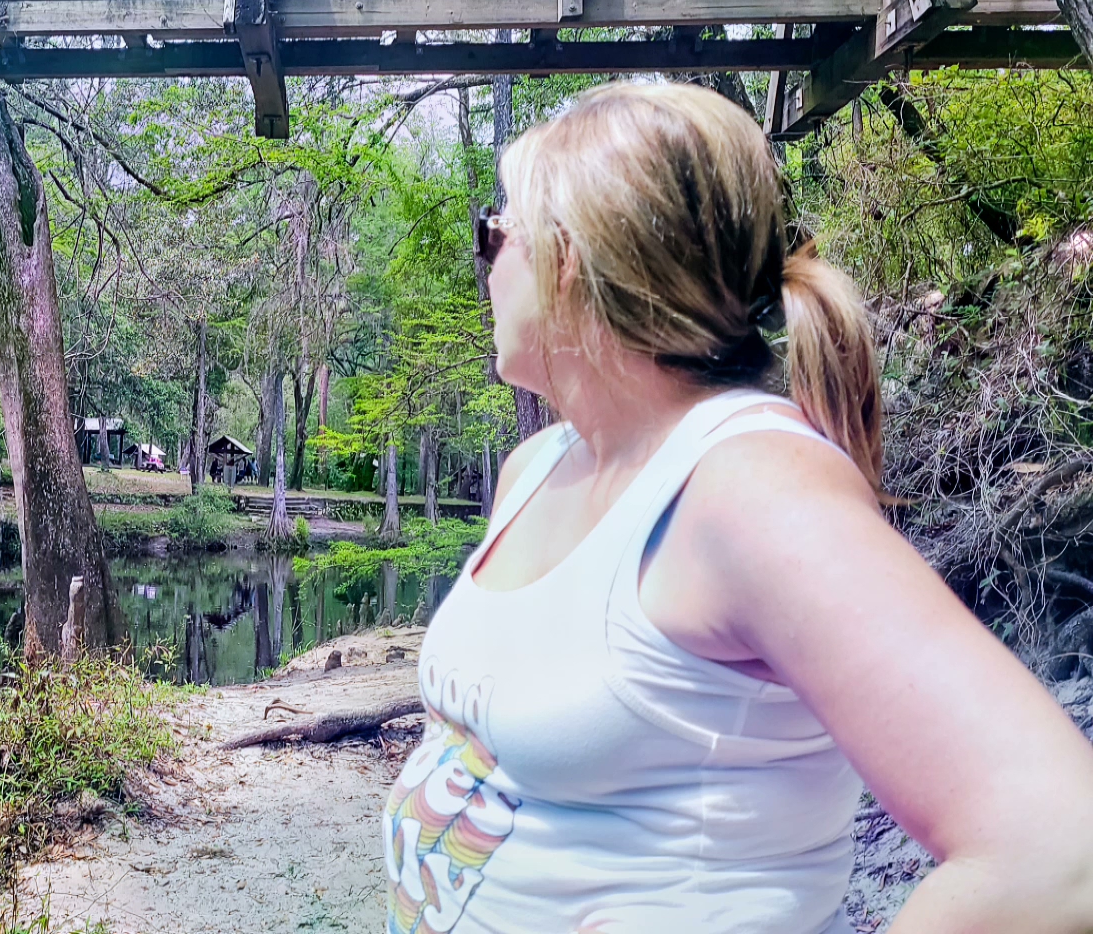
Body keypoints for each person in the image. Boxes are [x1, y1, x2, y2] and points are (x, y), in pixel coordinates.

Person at [386, 82, 1093, 934]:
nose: (486, 267)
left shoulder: (749, 489)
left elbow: (1060, 855)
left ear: (570, 260)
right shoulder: (536, 468)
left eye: (493, 235)